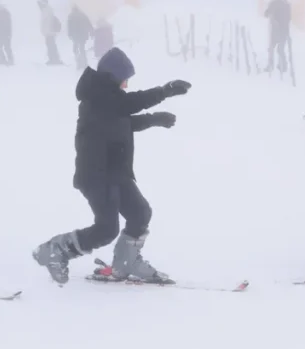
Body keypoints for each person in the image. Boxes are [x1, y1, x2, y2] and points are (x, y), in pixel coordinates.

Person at [32, 47, 191, 285]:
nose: (126, 85)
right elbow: (128, 105)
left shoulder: (108, 99)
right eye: (125, 80)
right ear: (114, 77)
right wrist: (164, 91)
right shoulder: (98, 97)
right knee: (106, 229)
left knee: (140, 213)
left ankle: (127, 262)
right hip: (97, 175)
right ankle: (55, 250)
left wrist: (155, 119)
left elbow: (122, 121)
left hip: (115, 171)